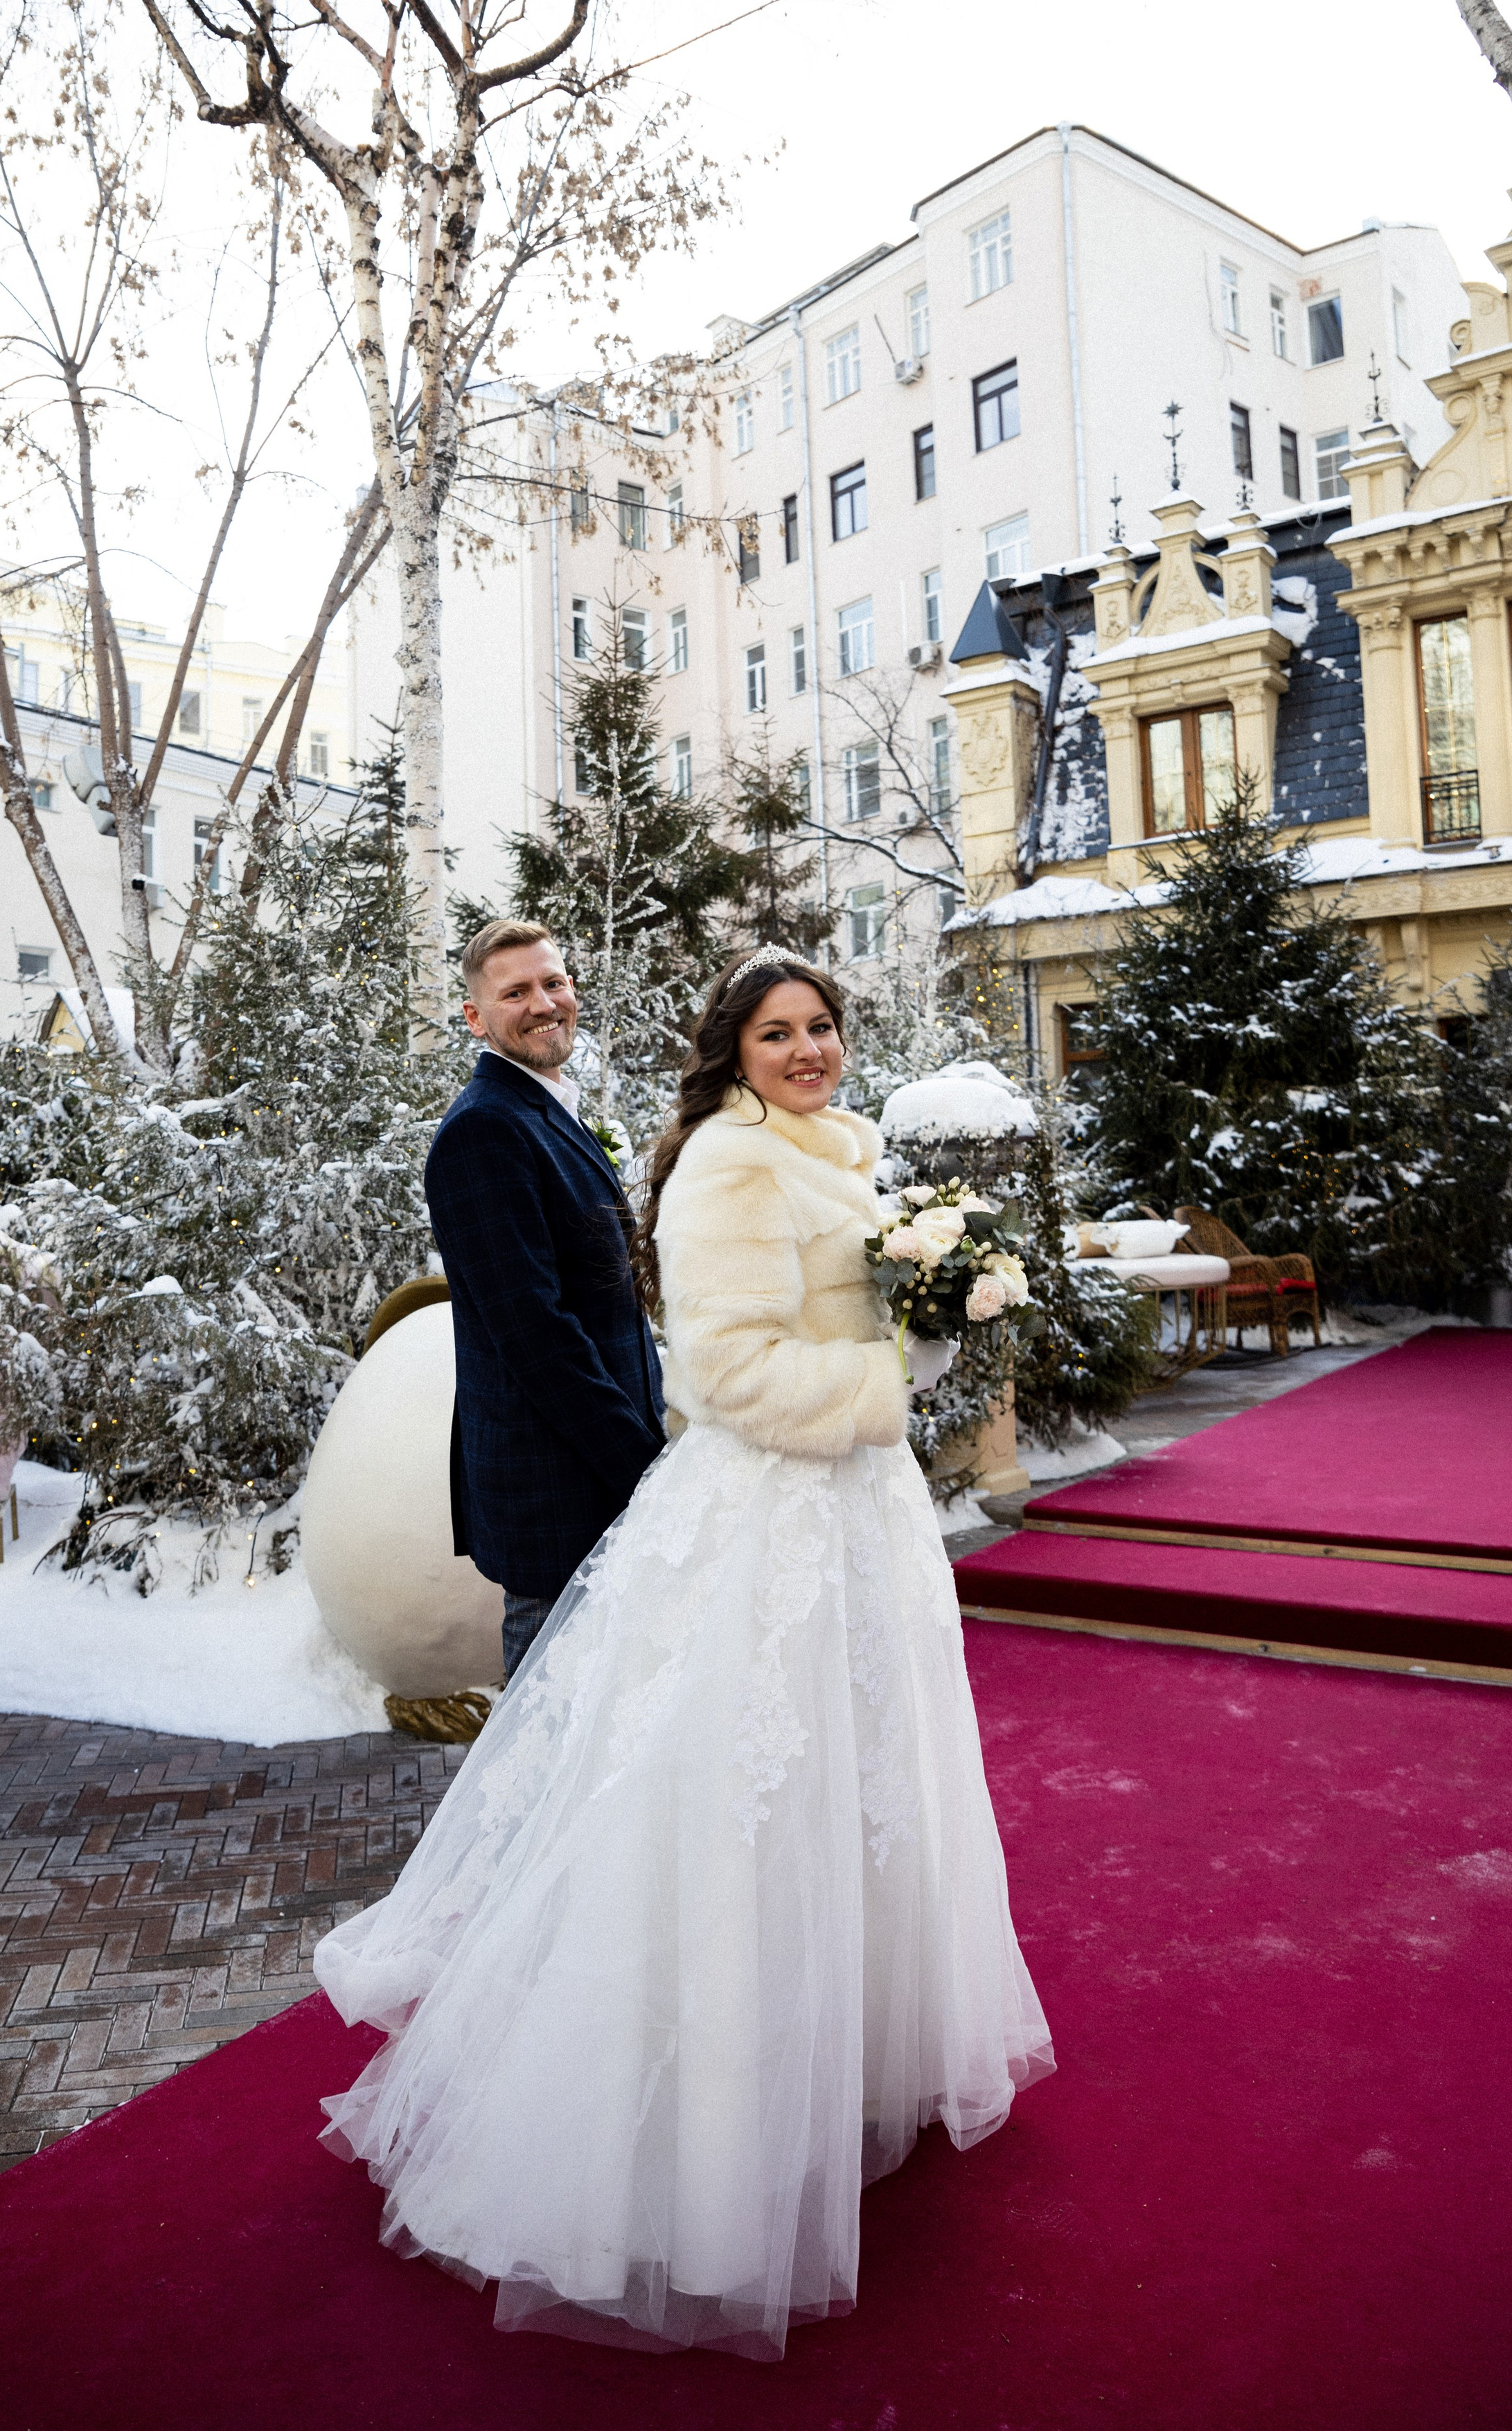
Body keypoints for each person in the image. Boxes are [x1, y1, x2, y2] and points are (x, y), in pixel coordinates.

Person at [315, 948, 1053, 2362]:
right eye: (777, 1032)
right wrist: (886, 1379)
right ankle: (712, 2125)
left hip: (858, 1520)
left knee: (862, 1788)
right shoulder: (726, 1165)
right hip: (768, 1521)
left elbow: (851, 1313)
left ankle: (848, 2053)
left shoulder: (845, 1147)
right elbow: (727, 1370)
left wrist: (935, 1323)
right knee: (731, 1813)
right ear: (733, 1051)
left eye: (822, 1026)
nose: (807, 1049)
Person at [425, 919, 666, 1681]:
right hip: (557, 1485)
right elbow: (536, 1335)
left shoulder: (544, 1107)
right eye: (516, 992)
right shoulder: (484, 1132)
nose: (543, 1004)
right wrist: (645, 1467)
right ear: (476, 1017)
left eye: (553, 982)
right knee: (545, 1722)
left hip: (595, 1469)